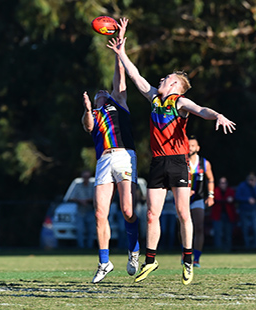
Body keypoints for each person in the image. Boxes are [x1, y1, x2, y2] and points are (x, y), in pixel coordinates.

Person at [107, 33, 236, 285]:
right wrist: (121, 52)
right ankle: (151, 260)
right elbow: (135, 76)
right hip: (158, 162)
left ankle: (187, 260)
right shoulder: (155, 98)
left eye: (167, 78)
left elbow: (201, 110)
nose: (162, 79)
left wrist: (218, 115)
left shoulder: (181, 102)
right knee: (152, 214)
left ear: (176, 85)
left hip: (178, 161)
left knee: (182, 212)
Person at [81, 18, 141, 284]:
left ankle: (134, 251)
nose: (102, 92)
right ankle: (104, 262)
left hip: (124, 154)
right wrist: (86, 109)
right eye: (98, 93)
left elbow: (119, 78)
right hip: (104, 160)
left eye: (105, 91)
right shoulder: (94, 113)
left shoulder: (120, 102)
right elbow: (88, 126)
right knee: (99, 213)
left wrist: (119, 53)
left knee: (128, 209)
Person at [186, 136, 214, 267]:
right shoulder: (182, 161)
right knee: (181, 228)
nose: (190, 148)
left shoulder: (204, 163)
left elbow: (211, 179)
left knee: (199, 227)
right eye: (188, 145)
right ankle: (184, 252)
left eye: (193, 145)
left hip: (198, 198)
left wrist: (211, 195)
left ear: (197, 148)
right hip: (182, 199)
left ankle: (196, 258)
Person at [69, 170, 95, 249]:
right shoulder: (77, 186)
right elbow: (72, 197)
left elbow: (97, 197)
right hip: (80, 210)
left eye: (87, 177)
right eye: (84, 177)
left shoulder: (93, 186)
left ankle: (90, 247)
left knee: (91, 230)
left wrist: (88, 200)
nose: (86, 179)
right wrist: (80, 201)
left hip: (90, 210)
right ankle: (81, 247)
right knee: (80, 229)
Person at [235, 172, 256, 249]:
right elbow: (237, 197)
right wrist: (247, 199)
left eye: (252, 179)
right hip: (243, 210)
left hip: (253, 210)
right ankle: (246, 247)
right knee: (244, 229)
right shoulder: (242, 185)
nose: (251, 181)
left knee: (255, 228)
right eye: (250, 179)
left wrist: (254, 187)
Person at [210, 177, 236, 251]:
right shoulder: (215, 191)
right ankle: (218, 249)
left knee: (228, 233)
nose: (223, 185)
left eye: (224, 183)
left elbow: (233, 199)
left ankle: (228, 249)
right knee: (218, 233)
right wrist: (226, 200)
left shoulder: (230, 191)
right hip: (217, 215)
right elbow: (215, 200)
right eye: (221, 183)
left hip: (228, 216)